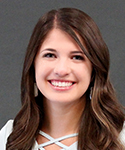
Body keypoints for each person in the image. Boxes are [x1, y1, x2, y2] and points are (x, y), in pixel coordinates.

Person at [0, 7, 125, 150]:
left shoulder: (119, 137)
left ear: (94, 69)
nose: (61, 70)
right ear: (33, 64)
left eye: (77, 57)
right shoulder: (9, 136)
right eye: (50, 55)